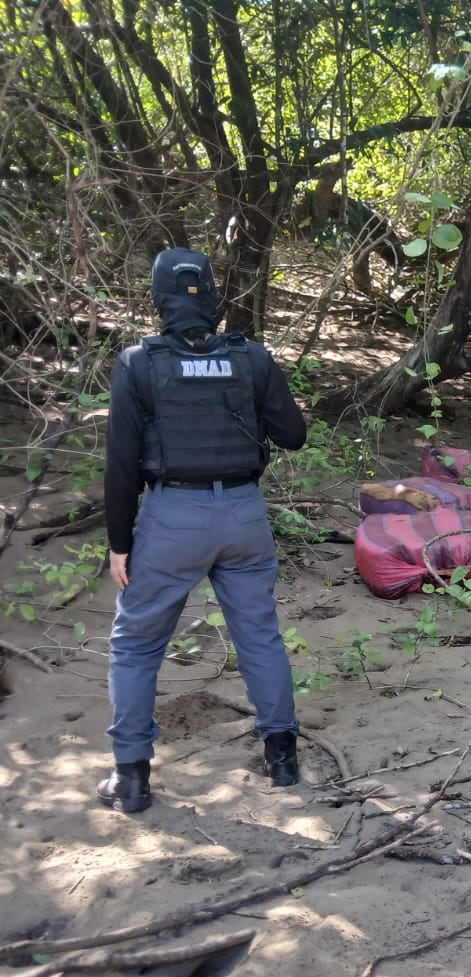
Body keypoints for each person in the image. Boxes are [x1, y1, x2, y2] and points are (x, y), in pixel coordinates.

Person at [98, 248, 308, 813]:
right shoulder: (250, 357)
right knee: (259, 635)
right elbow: (293, 435)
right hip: (243, 515)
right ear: (214, 296)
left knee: (136, 644)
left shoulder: (139, 363)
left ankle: (132, 779)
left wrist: (120, 543)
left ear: (158, 298)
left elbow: (121, 465)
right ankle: (283, 760)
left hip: (173, 518)